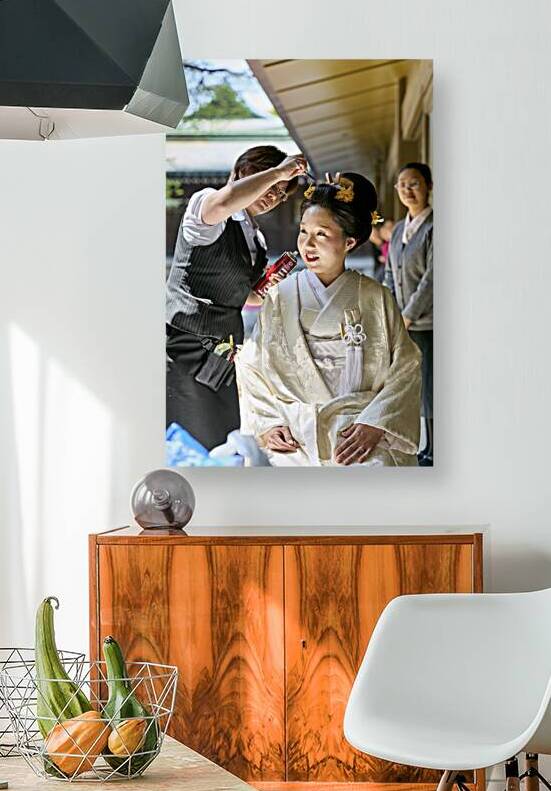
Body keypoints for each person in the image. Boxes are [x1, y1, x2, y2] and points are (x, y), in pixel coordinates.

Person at [236, 172, 422, 466]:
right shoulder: (280, 295)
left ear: (349, 241)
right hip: (295, 432)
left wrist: (377, 423)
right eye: (303, 232)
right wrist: (269, 423)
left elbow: (406, 366)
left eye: (321, 234)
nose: (307, 245)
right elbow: (251, 363)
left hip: (360, 429)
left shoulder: (376, 297)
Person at [166, 146, 307, 450]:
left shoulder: (255, 236)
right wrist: (280, 172)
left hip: (224, 352)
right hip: (185, 345)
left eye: (281, 194)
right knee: (189, 443)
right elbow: (227, 200)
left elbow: (247, 298)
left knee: (224, 443)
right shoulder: (205, 203)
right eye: (271, 186)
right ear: (243, 170)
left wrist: (265, 287)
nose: (274, 196)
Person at [384, 162, 433, 465]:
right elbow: (390, 274)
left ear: (429, 186)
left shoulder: (435, 227)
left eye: (414, 183)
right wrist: (389, 312)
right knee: (413, 388)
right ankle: (424, 447)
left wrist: (409, 314)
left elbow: (433, 278)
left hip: (426, 323)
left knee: (431, 388)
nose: (407, 190)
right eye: (402, 185)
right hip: (402, 322)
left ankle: (436, 450)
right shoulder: (400, 229)